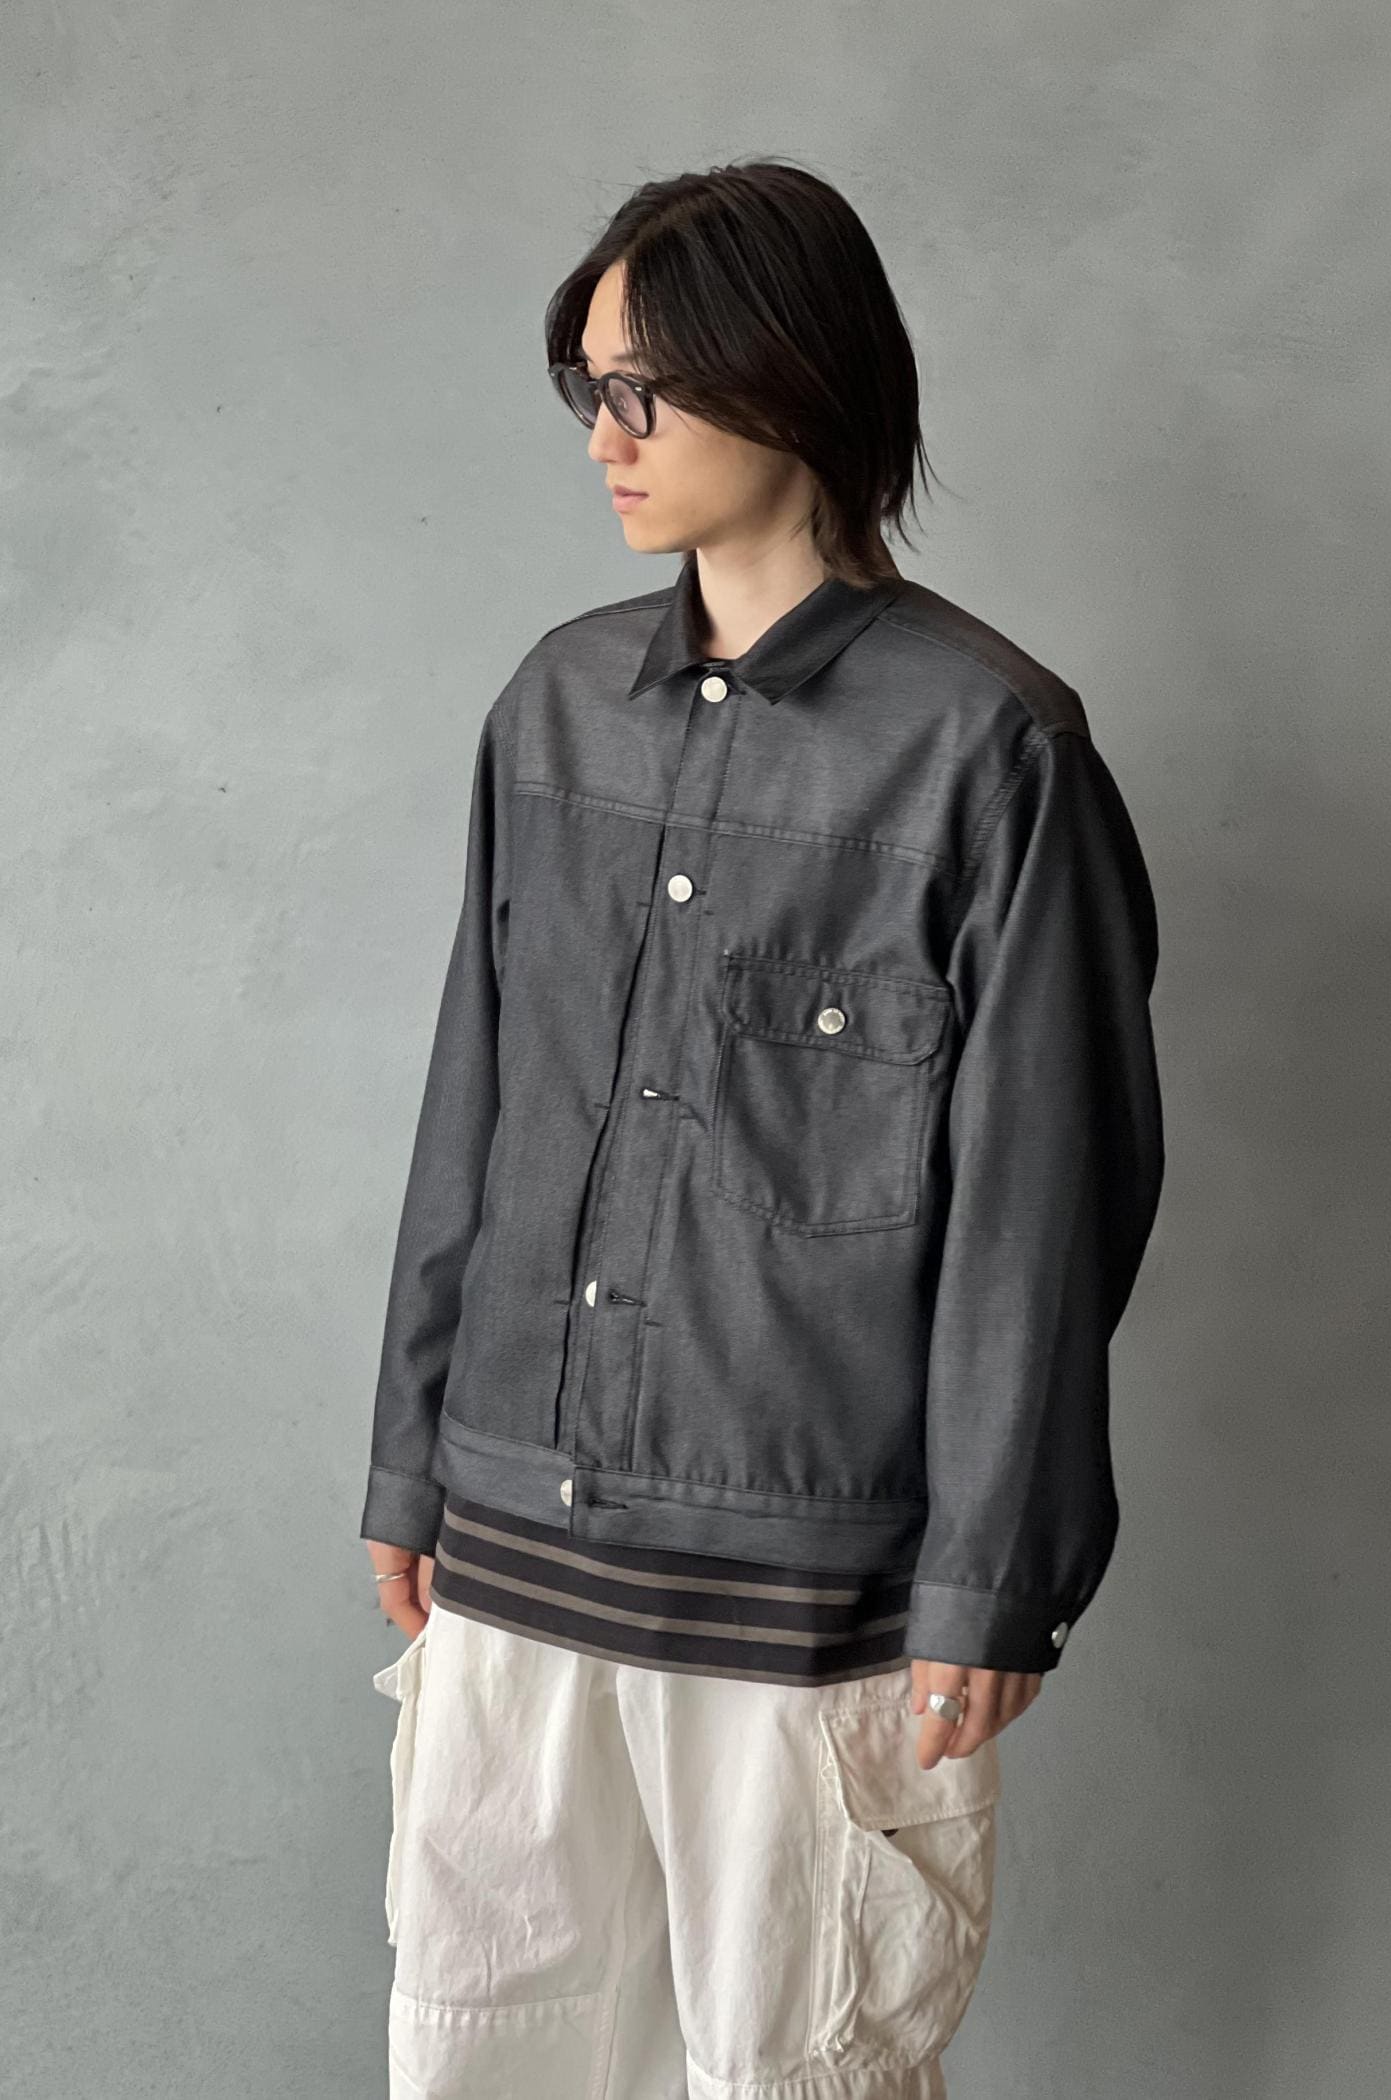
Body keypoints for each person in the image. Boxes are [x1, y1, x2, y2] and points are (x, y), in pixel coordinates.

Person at [360, 155, 1165, 2099]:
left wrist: (996, 1573)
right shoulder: (554, 712)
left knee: (797, 2071)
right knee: (488, 2054)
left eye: (643, 387)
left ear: (788, 377)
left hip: (808, 1598)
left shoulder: (991, 751)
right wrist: (410, 1459)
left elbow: (1043, 1211)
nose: (604, 437)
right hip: (514, 1558)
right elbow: (474, 1106)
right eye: (590, 386)